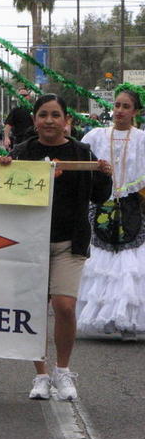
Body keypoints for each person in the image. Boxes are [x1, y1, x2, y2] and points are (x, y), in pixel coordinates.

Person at [0, 94, 112, 401]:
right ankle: (41, 375)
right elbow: (6, 196)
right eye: (43, 115)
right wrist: (5, 168)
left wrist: (104, 175)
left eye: (55, 115)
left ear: (66, 120)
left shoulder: (81, 152)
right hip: (31, 245)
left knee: (64, 306)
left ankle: (63, 371)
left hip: (69, 243)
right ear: (34, 120)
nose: (49, 120)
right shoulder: (23, 151)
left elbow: (99, 196)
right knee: (35, 310)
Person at [77, 86, 145, 340]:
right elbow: (79, 159)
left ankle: (127, 319)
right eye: (117, 105)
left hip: (131, 206)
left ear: (135, 111)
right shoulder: (95, 136)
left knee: (129, 263)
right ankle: (102, 317)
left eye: (126, 107)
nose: (119, 111)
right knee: (101, 261)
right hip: (101, 204)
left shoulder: (141, 139)